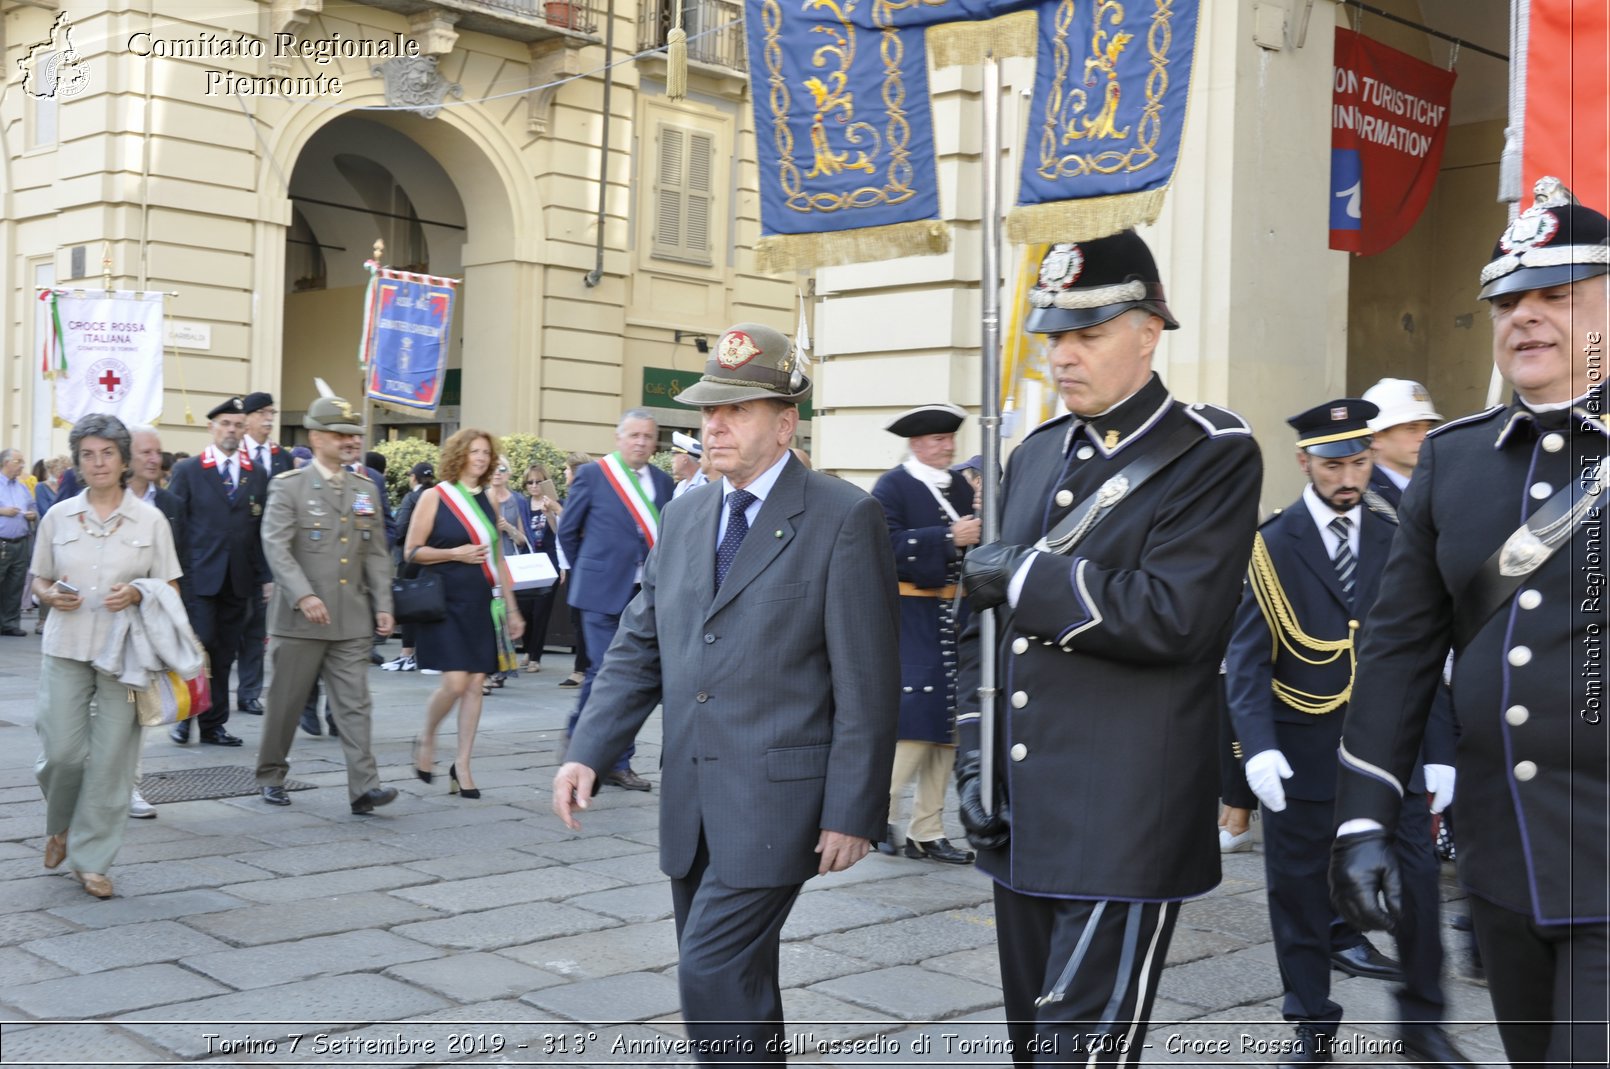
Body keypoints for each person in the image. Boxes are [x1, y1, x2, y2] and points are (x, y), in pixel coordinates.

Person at [553, 322, 900, 1063]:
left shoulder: (844, 516)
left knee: (708, 968)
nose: (713, 425)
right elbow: (638, 646)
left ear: (784, 422)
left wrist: (854, 808)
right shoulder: (684, 514)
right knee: (738, 980)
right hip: (692, 802)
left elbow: (867, 681)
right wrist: (589, 749)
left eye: (735, 410)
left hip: (781, 804)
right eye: (709, 411)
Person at [956, 231, 1263, 1063]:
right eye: (1054, 336)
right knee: (1033, 1046)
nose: (1062, 355)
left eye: (1086, 335)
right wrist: (975, 764)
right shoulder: (1034, 453)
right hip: (1022, 813)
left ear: (1148, 332)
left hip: (1124, 818)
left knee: (1078, 1053)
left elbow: (1176, 615)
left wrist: (1021, 571)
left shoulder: (1208, 451)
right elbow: (976, 635)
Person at [1331, 179, 1610, 1068]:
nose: (1524, 318)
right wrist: (1365, 816)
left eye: (1555, 297)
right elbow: (1399, 651)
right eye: (1507, 302)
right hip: (1505, 861)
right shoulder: (1456, 461)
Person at [1225, 399, 1464, 1066]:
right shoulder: (1271, 545)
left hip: (1394, 755)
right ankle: (1310, 1024)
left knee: (1416, 888)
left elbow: (1426, 651)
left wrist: (1441, 750)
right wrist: (1257, 746)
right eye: (1333, 464)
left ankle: (1424, 1022)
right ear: (1305, 462)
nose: (1348, 476)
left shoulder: (1401, 536)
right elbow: (1246, 658)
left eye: (1359, 461)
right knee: (1298, 895)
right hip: (1302, 748)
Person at [30, 414, 184, 898]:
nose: (97, 463)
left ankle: (91, 860)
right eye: (88, 455)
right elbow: (38, 580)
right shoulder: (58, 516)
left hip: (126, 657)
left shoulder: (151, 520)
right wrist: (49, 595)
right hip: (66, 646)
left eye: (107, 454)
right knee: (61, 754)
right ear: (77, 462)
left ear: (123, 461)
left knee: (112, 762)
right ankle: (60, 826)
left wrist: (138, 594)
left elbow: (170, 587)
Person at [254, 396, 398, 815]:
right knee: (286, 703)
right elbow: (276, 547)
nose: (351, 441)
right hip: (299, 619)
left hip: (350, 617)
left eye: (354, 434)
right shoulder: (289, 487)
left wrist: (383, 602)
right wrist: (304, 594)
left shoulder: (363, 489)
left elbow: (374, 551)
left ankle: (364, 787)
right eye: (340, 434)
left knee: (355, 705)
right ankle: (271, 773)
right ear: (316, 438)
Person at [870, 403, 978, 864]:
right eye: (938, 440)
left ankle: (927, 830)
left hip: (956, 613)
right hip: (912, 613)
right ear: (916, 443)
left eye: (950, 439)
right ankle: (876, 815)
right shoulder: (892, 486)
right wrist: (946, 538)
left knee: (948, 727)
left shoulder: (957, 484)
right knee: (916, 717)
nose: (948, 447)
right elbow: (882, 546)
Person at [556, 409, 675, 791]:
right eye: (634, 435)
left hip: (645, 595)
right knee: (609, 672)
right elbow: (568, 532)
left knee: (624, 674)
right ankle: (609, 759)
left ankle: (583, 742)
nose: (641, 442)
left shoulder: (662, 480)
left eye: (647, 436)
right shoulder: (594, 475)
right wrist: (591, 571)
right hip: (600, 594)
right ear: (618, 437)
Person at [405, 429, 525, 797]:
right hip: (445, 601)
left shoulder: (491, 499)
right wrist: (454, 553)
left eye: (486, 453)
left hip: (481, 602)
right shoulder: (434, 496)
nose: (481, 458)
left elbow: (499, 559)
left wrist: (513, 609)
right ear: (459, 455)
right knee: (455, 682)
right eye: (474, 451)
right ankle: (426, 737)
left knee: (475, 684)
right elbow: (411, 551)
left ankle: (463, 765)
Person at [164, 396, 270, 747]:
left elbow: (261, 529)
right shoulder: (190, 470)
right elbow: (175, 526)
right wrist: (175, 576)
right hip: (198, 578)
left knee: (225, 653)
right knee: (198, 648)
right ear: (212, 428)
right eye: (225, 424)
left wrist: (264, 575)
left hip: (238, 579)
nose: (232, 430)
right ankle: (185, 718)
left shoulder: (256, 474)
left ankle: (214, 725)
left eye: (238, 425)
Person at [125, 424, 189, 821]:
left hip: (145, 623)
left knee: (136, 710)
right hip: (97, 620)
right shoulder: (97, 499)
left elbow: (176, 568)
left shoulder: (169, 503)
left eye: (158, 452)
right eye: (145, 452)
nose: (154, 459)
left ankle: (130, 787)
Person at [235, 391, 292, 717]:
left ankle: (250, 692)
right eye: (264, 413)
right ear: (250, 417)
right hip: (238, 552)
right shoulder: (234, 452)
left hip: (270, 554)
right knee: (231, 628)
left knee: (257, 629)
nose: (269, 419)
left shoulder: (280, 456)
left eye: (273, 412)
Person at [383, 462, 437, 674]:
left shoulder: (411, 497)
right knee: (429, 605)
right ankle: (423, 654)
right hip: (433, 557)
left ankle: (407, 654)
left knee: (408, 605)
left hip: (410, 557)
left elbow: (401, 528)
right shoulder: (437, 494)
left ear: (413, 478)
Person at [1359, 378, 1442, 508]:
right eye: (1412, 428)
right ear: (1375, 437)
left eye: (1428, 427)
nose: (1425, 436)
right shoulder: (1359, 495)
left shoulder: (1437, 486)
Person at [485, 456, 530, 690]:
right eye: (493, 468)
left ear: (509, 473)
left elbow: (524, 539)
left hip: (508, 565)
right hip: (486, 565)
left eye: (502, 469)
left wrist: (507, 527)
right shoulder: (480, 497)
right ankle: (489, 668)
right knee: (490, 618)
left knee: (502, 618)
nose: (497, 473)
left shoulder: (517, 501)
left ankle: (501, 669)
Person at [516, 463, 563, 673]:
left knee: (541, 611)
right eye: (530, 482)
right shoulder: (523, 505)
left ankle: (535, 656)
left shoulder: (553, 503)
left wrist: (550, 512)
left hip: (549, 561)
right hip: (527, 562)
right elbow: (519, 537)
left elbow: (558, 532)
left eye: (538, 481)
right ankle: (526, 649)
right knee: (524, 609)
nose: (534, 486)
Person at [558, 451, 593, 688]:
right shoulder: (572, 495)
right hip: (573, 564)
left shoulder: (586, 495)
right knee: (576, 618)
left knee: (584, 620)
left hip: (585, 565)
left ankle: (582, 669)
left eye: (567, 469)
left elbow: (580, 528)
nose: (564, 473)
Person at [0, 448, 39, 637]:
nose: (22, 465)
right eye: (18, 461)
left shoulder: (22, 486)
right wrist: (2, 511)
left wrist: (32, 515)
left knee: (15, 584)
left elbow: (32, 506)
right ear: (6, 462)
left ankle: (10, 623)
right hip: (2, 542)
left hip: (20, 541)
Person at [670, 431, 707, 498]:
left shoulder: (706, 483)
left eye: (674, 455)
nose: (672, 460)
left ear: (685, 459)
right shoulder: (680, 486)